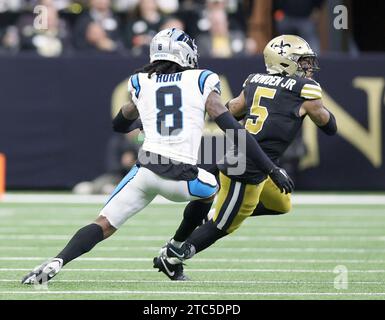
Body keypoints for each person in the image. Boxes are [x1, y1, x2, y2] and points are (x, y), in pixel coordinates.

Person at [21, 28, 293, 285]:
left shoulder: (141, 81)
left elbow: (119, 124)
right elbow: (234, 129)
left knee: (103, 224)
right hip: (182, 179)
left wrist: (145, 119)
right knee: (210, 188)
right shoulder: (201, 79)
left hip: (145, 171)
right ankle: (175, 249)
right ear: (185, 53)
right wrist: (271, 168)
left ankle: (56, 262)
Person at [153, 34, 337, 280]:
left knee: (281, 204)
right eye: (302, 61)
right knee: (221, 227)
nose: (307, 67)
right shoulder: (306, 90)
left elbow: (232, 110)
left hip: (256, 161)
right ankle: (171, 255)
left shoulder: (254, 81)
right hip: (248, 169)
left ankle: (218, 211)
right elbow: (329, 126)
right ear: (285, 62)